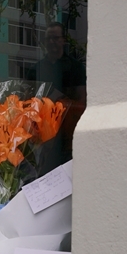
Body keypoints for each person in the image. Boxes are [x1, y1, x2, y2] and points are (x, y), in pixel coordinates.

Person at [34, 21, 88, 167]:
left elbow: (82, 102)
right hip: (43, 141)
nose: (52, 42)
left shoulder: (76, 68)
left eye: (56, 38)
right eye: (48, 38)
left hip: (67, 139)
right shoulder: (36, 69)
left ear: (63, 40)